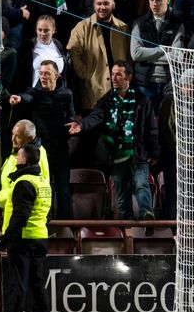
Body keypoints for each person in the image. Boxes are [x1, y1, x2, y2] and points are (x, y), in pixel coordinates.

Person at [67, 61, 158, 220]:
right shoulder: (107, 100)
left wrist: (154, 152)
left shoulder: (142, 100)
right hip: (116, 155)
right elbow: (95, 117)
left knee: (142, 185)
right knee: (122, 193)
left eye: (118, 74)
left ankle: (147, 216)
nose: (114, 78)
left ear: (129, 77)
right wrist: (81, 125)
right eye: (113, 74)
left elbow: (152, 128)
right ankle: (126, 225)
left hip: (138, 153)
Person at [0, 144, 51, 312]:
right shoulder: (43, 182)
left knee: (17, 284)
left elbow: (20, 217)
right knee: (37, 283)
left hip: (23, 239)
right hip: (40, 236)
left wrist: (5, 239)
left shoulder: (23, 182)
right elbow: (50, 212)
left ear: (24, 160)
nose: (16, 159)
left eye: (18, 156)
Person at [12, 60, 75, 219]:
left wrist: (71, 128)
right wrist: (19, 98)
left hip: (60, 149)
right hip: (41, 152)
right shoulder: (35, 92)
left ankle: (66, 225)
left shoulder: (66, 94)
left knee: (63, 190)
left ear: (56, 75)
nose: (43, 77)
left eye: (47, 73)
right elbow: (27, 97)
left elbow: (71, 117)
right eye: (40, 73)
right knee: (43, 188)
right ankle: (44, 220)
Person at [66, 0, 130, 112]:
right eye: (99, 4)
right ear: (94, 6)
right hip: (93, 92)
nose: (102, 7)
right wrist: (86, 74)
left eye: (106, 3)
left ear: (113, 5)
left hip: (120, 91)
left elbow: (129, 57)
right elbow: (73, 52)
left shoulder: (123, 28)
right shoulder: (82, 27)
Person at [130, 0, 185, 109]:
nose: (154, 4)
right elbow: (136, 54)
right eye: (151, 0)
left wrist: (148, 55)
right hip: (144, 84)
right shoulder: (139, 23)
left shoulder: (177, 23)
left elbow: (177, 56)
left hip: (170, 83)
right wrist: (161, 50)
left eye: (159, 0)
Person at [17, 15, 71, 95]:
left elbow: (65, 73)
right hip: (35, 96)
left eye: (46, 30)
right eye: (40, 30)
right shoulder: (27, 47)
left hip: (57, 97)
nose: (42, 33)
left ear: (53, 30)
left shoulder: (60, 48)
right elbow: (19, 75)